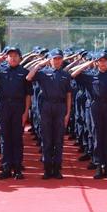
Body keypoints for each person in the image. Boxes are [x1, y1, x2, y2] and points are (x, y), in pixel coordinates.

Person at [0, 46, 32, 180]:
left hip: (18, 107)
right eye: (10, 56)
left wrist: (26, 111)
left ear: (20, 58)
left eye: (16, 55)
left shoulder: (24, 72)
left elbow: (28, 94)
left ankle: (17, 168)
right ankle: (6, 167)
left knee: (17, 138)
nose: (13, 58)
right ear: (6, 58)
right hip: (4, 107)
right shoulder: (0, 71)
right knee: (5, 138)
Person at [71, 52, 107, 179]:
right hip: (95, 106)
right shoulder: (90, 76)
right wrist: (89, 63)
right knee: (97, 137)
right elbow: (73, 74)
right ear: (96, 62)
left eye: (105, 60)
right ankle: (98, 166)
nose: (103, 63)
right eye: (100, 61)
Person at [26, 48, 72, 179]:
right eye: (54, 58)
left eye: (59, 58)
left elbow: (69, 95)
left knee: (58, 140)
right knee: (46, 139)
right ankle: (47, 169)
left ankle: (57, 169)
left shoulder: (65, 75)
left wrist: (68, 112)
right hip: (46, 106)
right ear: (50, 60)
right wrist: (40, 64)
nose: (57, 61)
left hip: (60, 107)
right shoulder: (42, 73)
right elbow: (28, 77)